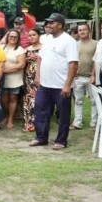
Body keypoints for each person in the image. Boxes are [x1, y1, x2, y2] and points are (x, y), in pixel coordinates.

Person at [30, 13, 78, 150]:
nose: (48, 25)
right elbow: (39, 58)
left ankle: (61, 141)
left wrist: (68, 85)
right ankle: (41, 138)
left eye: (52, 23)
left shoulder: (68, 41)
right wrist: (38, 76)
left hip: (61, 85)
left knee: (63, 114)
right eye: (48, 23)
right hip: (45, 84)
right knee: (40, 110)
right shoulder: (46, 39)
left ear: (60, 25)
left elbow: (73, 64)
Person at [71, 23, 97, 130]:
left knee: (94, 101)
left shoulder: (96, 44)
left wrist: (93, 75)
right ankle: (77, 122)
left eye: (84, 29)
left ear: (89, 30)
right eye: (80, 30)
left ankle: (94, 123)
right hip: (78, 77)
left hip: (91, 77)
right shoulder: (75, 44)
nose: (82, 32)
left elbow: (97, 61)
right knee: (78, 100)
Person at [1, 30, 26, 130]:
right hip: (3, 79)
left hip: (15, 79)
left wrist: (5, 70)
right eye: (11, 36)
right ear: (7, 37)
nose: (12, 38)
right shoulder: (1, 48)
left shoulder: (20, 50)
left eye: (15, 37)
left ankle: (10, 119)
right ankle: (7, 115)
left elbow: (21, 65)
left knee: (13, 99)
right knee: (4, 99)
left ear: (18, 39)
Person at [23, 27, 43, 132]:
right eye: (30, 35)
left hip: (41, 76)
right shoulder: (27, 49)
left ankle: (38, 122)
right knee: (29, 99)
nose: (31, 37)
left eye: (34, 35)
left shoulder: (44, 48)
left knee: (38, 100)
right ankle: (29, 123)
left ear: (39, 36)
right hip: (29, 77)